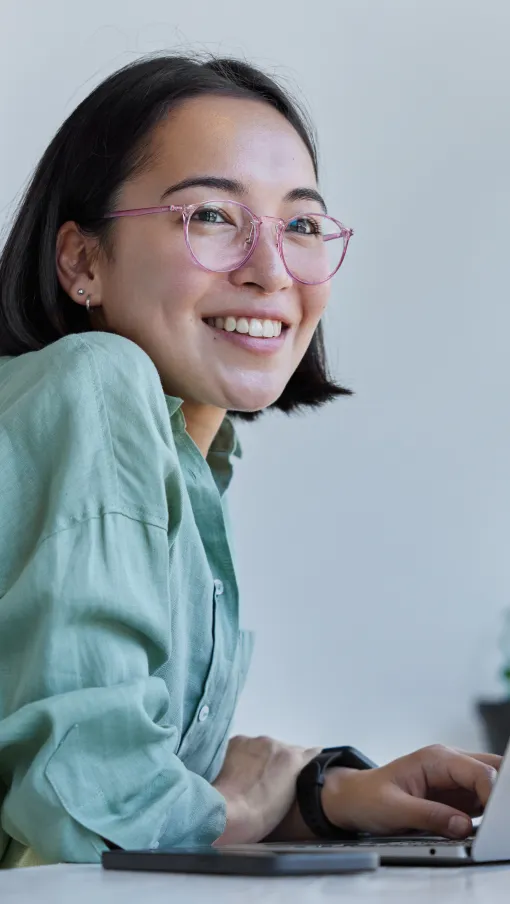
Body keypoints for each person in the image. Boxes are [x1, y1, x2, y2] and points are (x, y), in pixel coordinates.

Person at [0, 54, 500, 869]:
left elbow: (129, 764)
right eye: (210, 216)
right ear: (83, 261)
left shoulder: (190, 453)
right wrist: (245, 799)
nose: (270, 271)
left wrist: (321, 795)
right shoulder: (96, 383)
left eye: (300, 225)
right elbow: (91, 812)